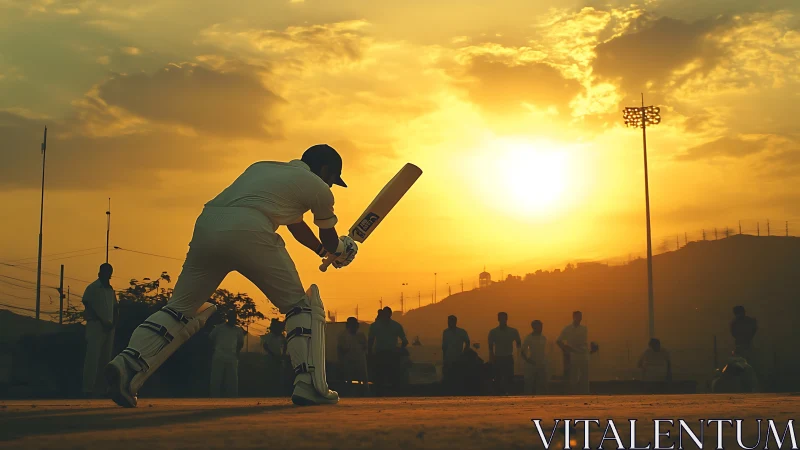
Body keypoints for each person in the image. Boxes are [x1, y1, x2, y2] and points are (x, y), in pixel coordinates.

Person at [105, 144, 359, 408]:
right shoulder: (318, 187)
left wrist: (322, 252)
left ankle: (127, 364)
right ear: (325, 170)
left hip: (209, 223)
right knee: (299, 306)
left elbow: (296, 226)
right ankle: (308, 384)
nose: (331, 186)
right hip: (250, 229)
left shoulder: (264, 168)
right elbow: (330, 238)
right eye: (332, 180)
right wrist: (342, 249)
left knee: (179, 310)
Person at [81, 263, 119, 398]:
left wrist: (113, 324)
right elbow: (87, 305)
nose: (108, 275)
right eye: (106, 272)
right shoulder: (92, 288)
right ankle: (87, 389)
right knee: (92, 358)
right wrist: (101, 320)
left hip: (109, 328)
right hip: (96, 326)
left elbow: (115, 308)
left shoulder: (110, 290)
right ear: (100, 273)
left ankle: (103, 390)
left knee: (106, 360)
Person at [368, 307, 408, 395]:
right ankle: (394, 393)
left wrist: (370, 352)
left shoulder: (375, 326)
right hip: (390, 354)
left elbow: (370, 341)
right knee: (393, 376)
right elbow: (405, 341)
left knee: (380, 376)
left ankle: (380, 393)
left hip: (382, 354)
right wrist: (400, 349)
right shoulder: (396, 326)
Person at [209, 310, 244, 398]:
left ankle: (233, 398)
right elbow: (210, 339)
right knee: (216, 378)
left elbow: (241, 343)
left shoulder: (238, 330)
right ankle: (214, 398)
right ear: (228, 318)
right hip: (219, 355)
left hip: (232, 356)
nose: (233, 319)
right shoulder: (219, 328)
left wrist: (237, 352)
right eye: (231, 317)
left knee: (233, 379)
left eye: (234, 317)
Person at [488, 312, 521, 395]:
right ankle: (498, 394)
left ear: (506, 319)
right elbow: (490, 347)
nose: (502, 320)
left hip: (508, 357)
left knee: (509, 378)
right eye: (501, 318)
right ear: (498, 319)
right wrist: (491, 359)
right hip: (498, 358)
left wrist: (518, 356)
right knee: (497, 378)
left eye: (504, 318)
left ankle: (509, 393)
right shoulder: (493, 332)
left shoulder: (513, 331)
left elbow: (518, 344)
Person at [557, 311, 590, 394]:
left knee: (585, 377)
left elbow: (585, 342)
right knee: (573, 377)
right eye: (578, 316)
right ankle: (573, 394)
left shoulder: (584, 329)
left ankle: (585, 394)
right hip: (573, 356)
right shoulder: (567, 329)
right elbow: (558, 341)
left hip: (583, 355)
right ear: (574, 317)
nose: (580, 318)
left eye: (581, 317)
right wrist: (565, 349)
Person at [337, 317, 369, 395]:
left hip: (360, 358)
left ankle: (364, 392)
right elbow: (340, 348)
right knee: (349, 376)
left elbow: (365, 346)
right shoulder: (343, 335)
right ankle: (349, 392)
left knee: (363, 376)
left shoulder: (361, 335)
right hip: (348, 358)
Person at [441, 315, 470, 393]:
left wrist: (464, 353)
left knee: (457, 376)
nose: (449, 323)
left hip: (458, 358)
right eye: (448, 321)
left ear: (455, 322)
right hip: (448, 358)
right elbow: (444, 347)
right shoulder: (445, 332)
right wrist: (444, 359)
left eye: (450, 321)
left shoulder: (461, 332)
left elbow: (467, 342)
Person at [261, 318, 288, 396]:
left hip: (278, 360)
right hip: (269, 360)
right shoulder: (269, 336)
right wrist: (274, 355)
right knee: (270, 378)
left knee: (279, 378)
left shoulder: (281, 337)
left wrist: (283, 354)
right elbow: (265, 346)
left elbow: (285, 344)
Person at [521, 320, 548, 395]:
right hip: (532, 363)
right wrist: (528, 360)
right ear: (534, 327)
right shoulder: (529, 338)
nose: (541, 328)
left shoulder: (543, 338)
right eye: (539, 327)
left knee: (542, 384)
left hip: (542, 363)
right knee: (529, 383)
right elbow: (523, 352)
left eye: (541, 327)